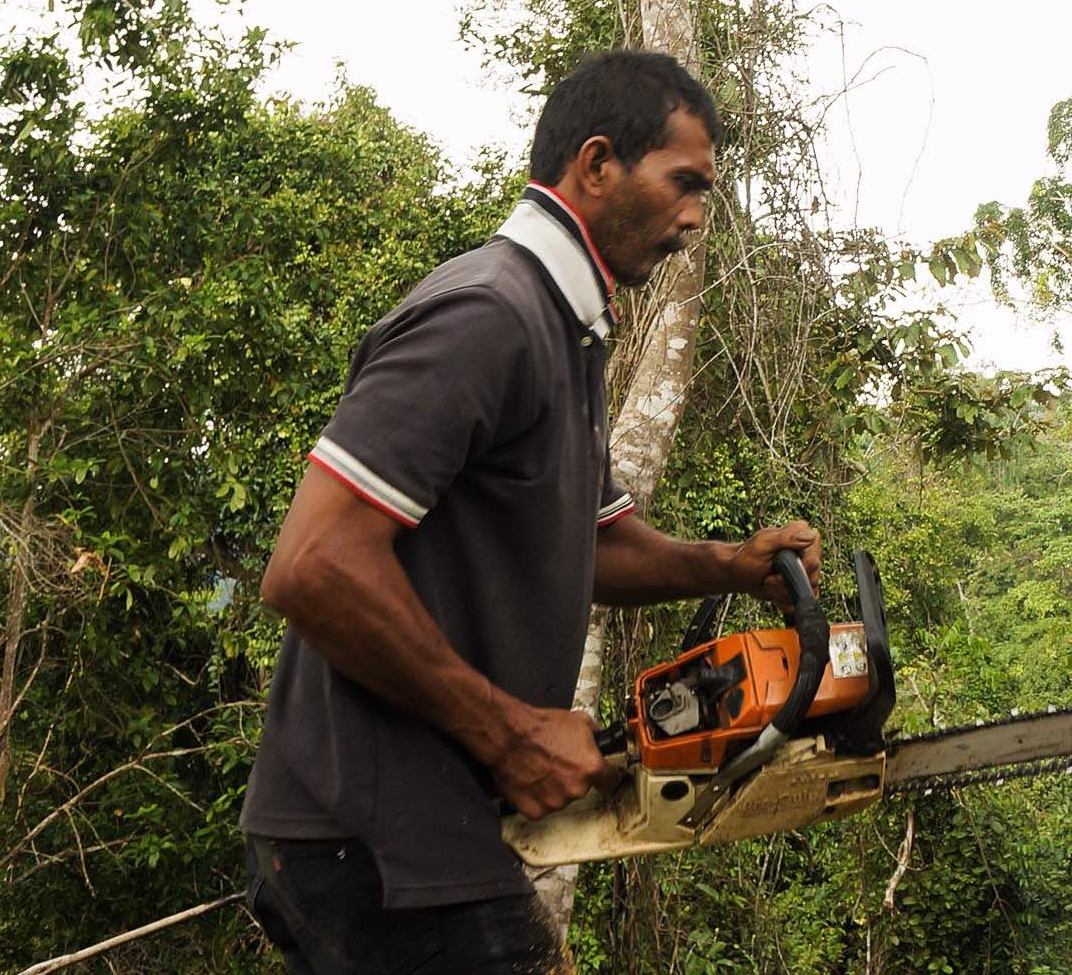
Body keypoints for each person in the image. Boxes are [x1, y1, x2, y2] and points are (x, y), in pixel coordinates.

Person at [241, 49, 820, 973]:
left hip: (426, 831)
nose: (695, 219)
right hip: (378, 837)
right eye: (684, 184)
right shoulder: (488, 315)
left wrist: (729, 566)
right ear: (596, 165)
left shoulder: (560, 328)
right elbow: (313, 565)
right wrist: (508, 733)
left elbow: (595, 547)